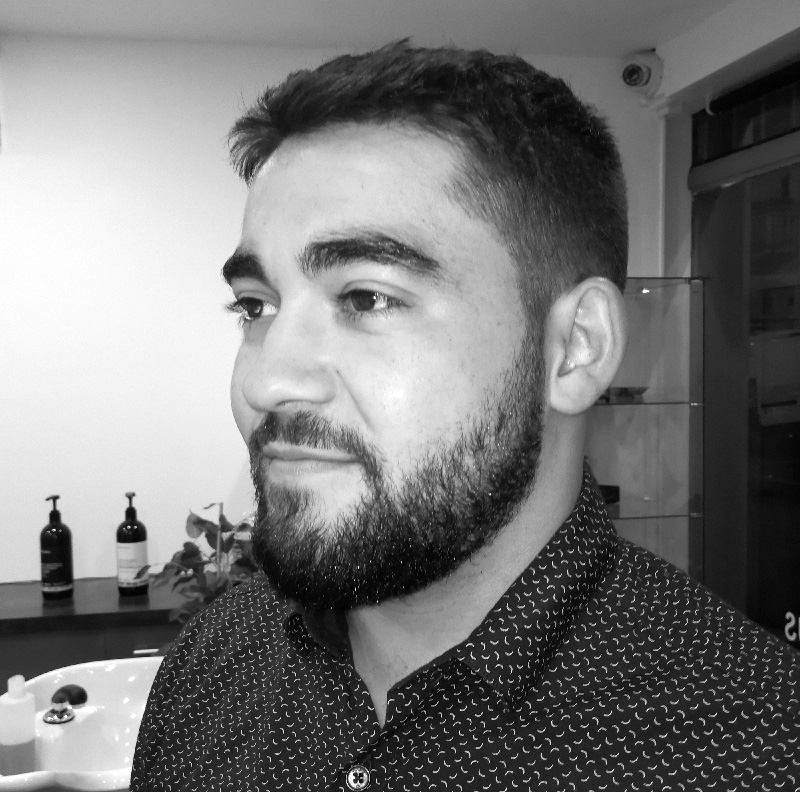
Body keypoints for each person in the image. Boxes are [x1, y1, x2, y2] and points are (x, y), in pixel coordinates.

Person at [131, 41, 800, 791]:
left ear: (576, 349)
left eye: (366, 298)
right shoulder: (212, 663)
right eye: (256, 307)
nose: (265, 381)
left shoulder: (758, 752)